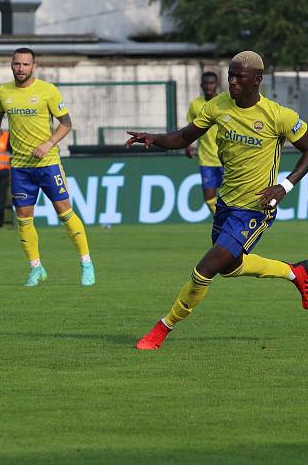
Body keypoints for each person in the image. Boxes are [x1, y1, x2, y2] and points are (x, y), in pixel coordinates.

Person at [126, 51, 308, 350]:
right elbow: (185, 136)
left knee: (205, 269)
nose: (232, 81)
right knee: (230, 267)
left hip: (255, 208)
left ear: (257, 80)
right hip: (227, 205)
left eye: (239, 77)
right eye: (230, 75)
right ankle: (296, 272)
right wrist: (155, 137)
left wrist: (285, 185)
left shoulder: (279, 116)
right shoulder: (218, 106)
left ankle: (161, 330)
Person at [0, 47, 95, 287]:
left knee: (65, 212)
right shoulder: (3, 92)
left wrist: (48, 143)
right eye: (16, 64)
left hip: (48, 164)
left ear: (34, 66)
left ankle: (86, 263)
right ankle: (36, 268)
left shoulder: (48, 91)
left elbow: (66, 124)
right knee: (23, 218)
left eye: (25, 64)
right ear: (11, 65)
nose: (20, 68)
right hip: (21, 166)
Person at [185, 71, 223, 214]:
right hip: (206, 159)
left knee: (231, 198)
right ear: (201, 85)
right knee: (209, 199)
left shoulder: (224, 102)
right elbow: (190, 128)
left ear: (217, 84)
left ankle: (228, 225)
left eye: (211, 83)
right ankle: (221, 222)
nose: (209, 86)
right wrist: (188, 145)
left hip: (225, 159)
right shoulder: (195, 104)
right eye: (206, 83)